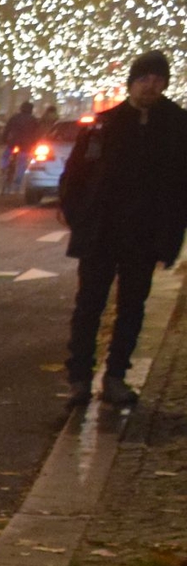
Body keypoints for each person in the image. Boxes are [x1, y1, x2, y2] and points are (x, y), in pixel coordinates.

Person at [63, 52, 187, 409]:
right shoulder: (104, 125)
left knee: (132, 307)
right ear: (131, 83)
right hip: (101, 233)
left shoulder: (177, 126)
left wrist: (171, 236)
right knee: (89, 305)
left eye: (157, 79)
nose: (150, 85)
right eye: (144, 78)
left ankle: (116, 375)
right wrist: (81, 220)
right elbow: (74, 178)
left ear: (165, 83)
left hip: (145, 237)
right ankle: (79, 377)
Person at [3, 98, 40, 186]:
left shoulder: (14, 117)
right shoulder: (33, 119)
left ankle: (4, 168)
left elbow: (7, 129)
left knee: (5, 156)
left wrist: (4, 138)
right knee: (22, 162)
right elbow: (36, 132)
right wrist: (35, 143)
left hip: (13, 141)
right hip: (26, 144)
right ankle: (19, 178)